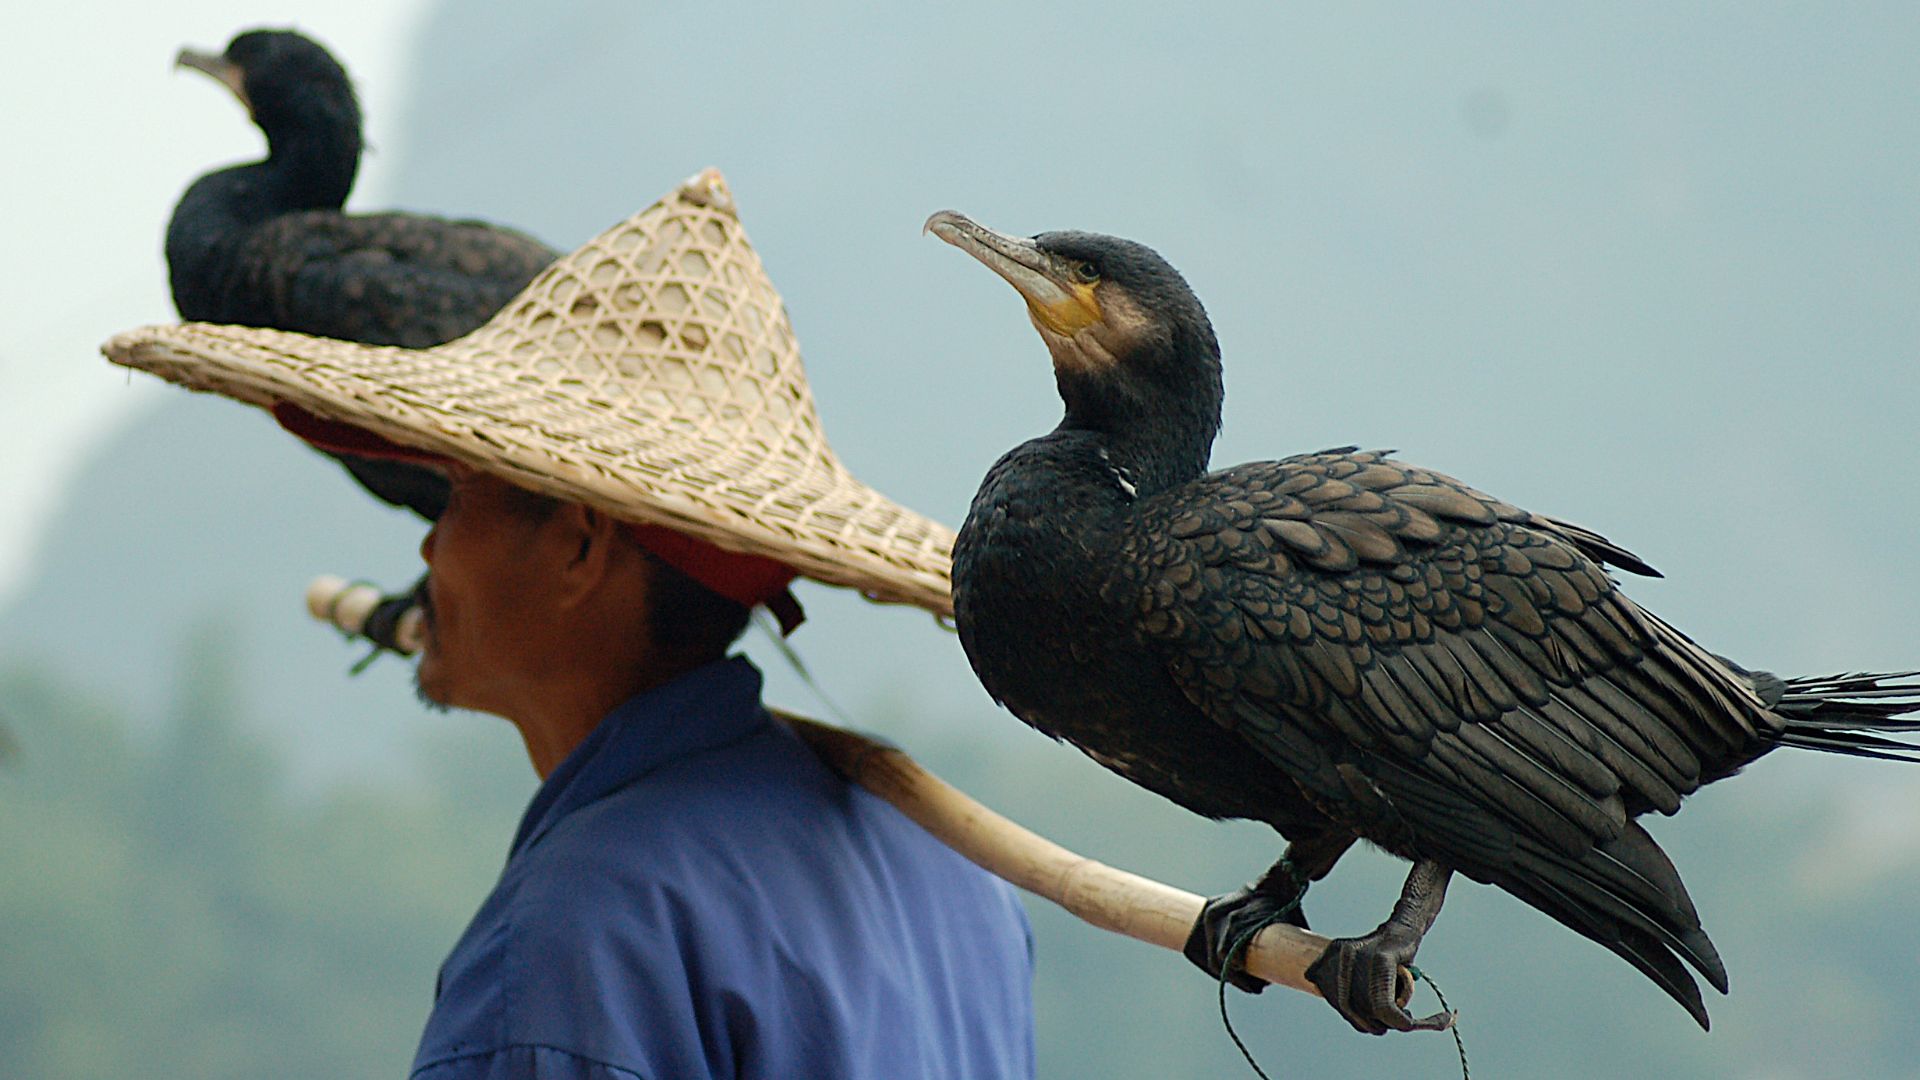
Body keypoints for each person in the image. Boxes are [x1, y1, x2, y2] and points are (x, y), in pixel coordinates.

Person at [107, 171, 1036, 1079]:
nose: (427, 550)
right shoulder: (954, 869)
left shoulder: (571, 938)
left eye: (458, 494)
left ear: (580, 550)